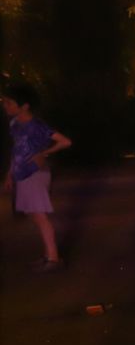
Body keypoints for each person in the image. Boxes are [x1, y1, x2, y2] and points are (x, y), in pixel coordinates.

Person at [3, 82, 73, 271]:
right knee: (34, 214)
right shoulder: (15, 124)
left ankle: (53, 259)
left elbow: (65, 141)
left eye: (9, 102)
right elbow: (16, 150)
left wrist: (46, 153)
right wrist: (10, 174)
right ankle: (48, 256)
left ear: (24, 106)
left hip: (35, 173)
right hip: (23, 174)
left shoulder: (37, 126)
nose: (5, 106)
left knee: (40, 216)